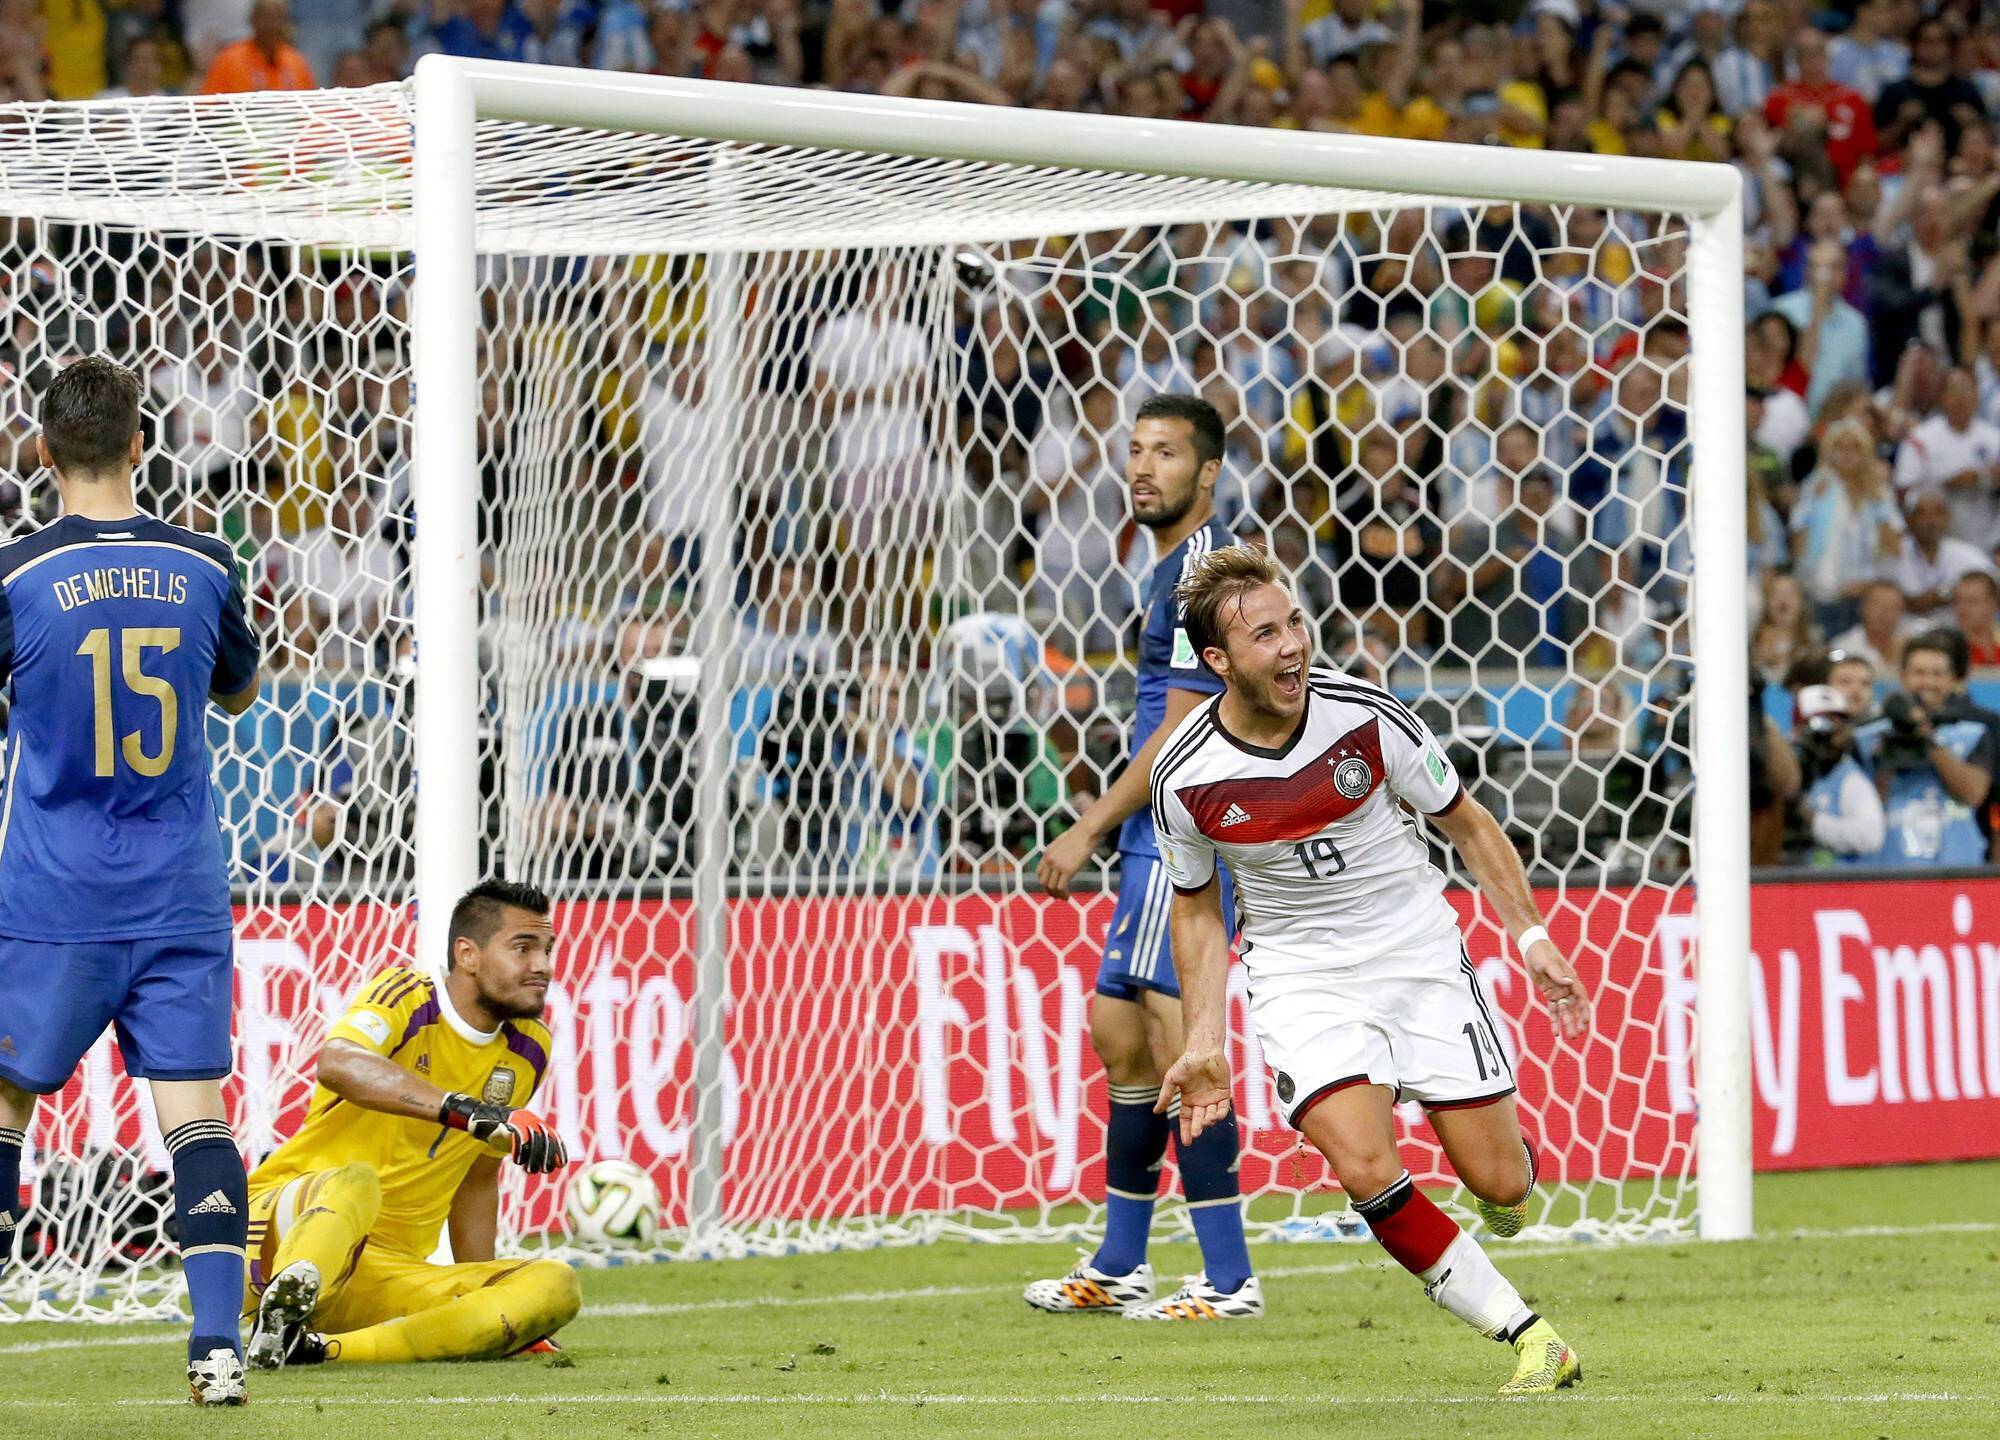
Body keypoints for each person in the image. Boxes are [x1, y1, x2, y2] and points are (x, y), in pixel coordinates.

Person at [1151, 543, 1587, 1395]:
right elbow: (1197, 906)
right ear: (1218, 661)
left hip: (1415, 952)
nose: (1292, 647)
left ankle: (1511, 1169)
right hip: (1300, 975)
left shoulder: (1367, 716)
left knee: (1499, 1182)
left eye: (1296, 623)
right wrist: (1205, 1036)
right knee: (1362, 1166)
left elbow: (1466, 822)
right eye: (1266, 635)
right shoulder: (1185, 775)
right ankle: (1532, 1337)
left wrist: (1532, 940)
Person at [0, 358, 261, 1403]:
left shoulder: (15, 577)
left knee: (7, 1104)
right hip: (177, 891)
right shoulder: (205, 562)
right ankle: (214, 1351)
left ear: (46, 455)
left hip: (57, 893)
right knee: (195, 1116)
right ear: (142, 446)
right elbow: (238, 694)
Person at [1025, 394, 1259, 1323]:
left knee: (1177, 1042)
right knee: (1119, 1032)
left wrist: (1084, 823)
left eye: (1166, 452)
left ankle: (1230, 1279)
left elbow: (1182, 733)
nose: (1143, 467)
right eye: (1134, 450)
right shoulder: (1163, 565)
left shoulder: (1206, 567)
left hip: (1184, 833)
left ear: (1206, 473)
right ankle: (1123, 1260)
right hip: (1148, 837)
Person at [240, 880, 577, 1369]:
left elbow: (477, 1182)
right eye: (523, 948)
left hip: (387, 1274)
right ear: (468, 954)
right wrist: (465, 1110)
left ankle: (314, 1349)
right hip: (285, 1231)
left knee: (555, 1283)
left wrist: (491, 1296)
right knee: (357, 1183)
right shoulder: (408, 996)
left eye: (547, 949)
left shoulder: (529, 1048)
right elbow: (338, 1062)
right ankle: (287, 1297)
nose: (542, 966)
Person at [1854, 631, 1998, 866]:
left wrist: (1927, 738)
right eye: (1919, 673)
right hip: (1886, 866)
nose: (1928, 682)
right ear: (1903, 677)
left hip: (1957, 866)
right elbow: (1863, 804)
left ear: (1953, 680)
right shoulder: (1869, 736)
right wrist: (1888, 752)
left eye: (1938, 674)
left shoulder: (1973, 732)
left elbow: (1974, 793)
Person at [1789, 683, 1886, 865]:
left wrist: (1814, 821)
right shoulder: (1793, 776)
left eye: (1838, 727)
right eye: (1822, 727)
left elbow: (1870, 836)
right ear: (1798, 731)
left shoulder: (1849, 779)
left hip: (1843, 887)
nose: (1834, 738)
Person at [199, 0, 316, 93]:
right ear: (252, 19)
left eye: (279, 18)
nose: (273, 25)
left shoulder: (296, 62)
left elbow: (312, 110)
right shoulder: (230, 60)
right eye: (267, 18)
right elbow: (206, 111)